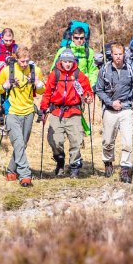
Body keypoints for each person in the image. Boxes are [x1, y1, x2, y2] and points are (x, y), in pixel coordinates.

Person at [0, 48, 45, 188]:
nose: (24, 64)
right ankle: (25, 175)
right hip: (12, 112)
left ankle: (11, 170)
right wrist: (6, 85)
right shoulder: (7, 71)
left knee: (22, 144)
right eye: (22, 61)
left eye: (27, 61)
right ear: (16, 59)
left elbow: (42, 90)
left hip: (28, 111)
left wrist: (37, 83)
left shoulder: (35, 70)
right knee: (18, 143)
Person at [94, 42, 133, 183]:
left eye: (120, 54)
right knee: (108, 141)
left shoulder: (131, 70)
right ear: (111, 55)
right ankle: (108, 162)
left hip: (126, 109)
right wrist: (110, 102)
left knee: (127, 141)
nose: (118, 57)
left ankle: (125, 169)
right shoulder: (104, 70)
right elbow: (99, 90)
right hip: (109, 110)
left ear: (124, 54)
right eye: (115, 54)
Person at [40, 49, 93, 179]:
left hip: (74, 111)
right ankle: (60, 160)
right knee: (55, 140)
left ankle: (75, 166)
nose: (68, 64)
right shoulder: (55, 74)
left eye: (70, 61)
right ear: (61, 61)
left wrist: (88, 97)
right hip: (56, 111)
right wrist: (43, 108)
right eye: (65, 61)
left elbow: (87, 90)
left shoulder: (79, 75)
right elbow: (47, 93)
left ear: (73, 61)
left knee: (76, 140)